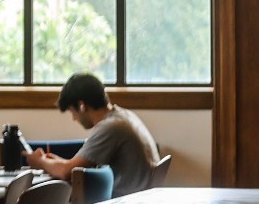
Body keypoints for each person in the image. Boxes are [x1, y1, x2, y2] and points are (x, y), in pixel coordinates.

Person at [27, 72, 162, 196]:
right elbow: (74, 167)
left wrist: (40, 162)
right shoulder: (125, 116)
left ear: (82, 106)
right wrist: (56, 163)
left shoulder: (110, 127)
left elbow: (66, 172)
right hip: (140, 200)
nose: (74, 118)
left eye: (71, 111)